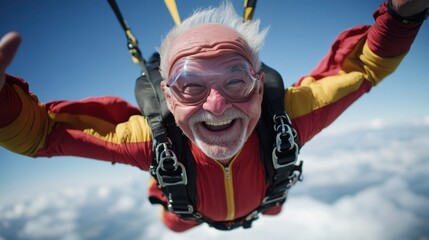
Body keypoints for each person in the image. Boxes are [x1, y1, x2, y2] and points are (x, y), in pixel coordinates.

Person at [0, 0, 428, 233]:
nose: (217, 105)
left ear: (259, 85)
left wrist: (403, 13)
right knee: (175, 222)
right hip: (187, 207)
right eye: (191, 86)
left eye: (236, 80)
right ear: (167, 97)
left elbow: (360, 69)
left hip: (263, 196)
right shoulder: (152, 140)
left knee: (273, 206)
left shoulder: (289, 117)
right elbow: (43, 135)